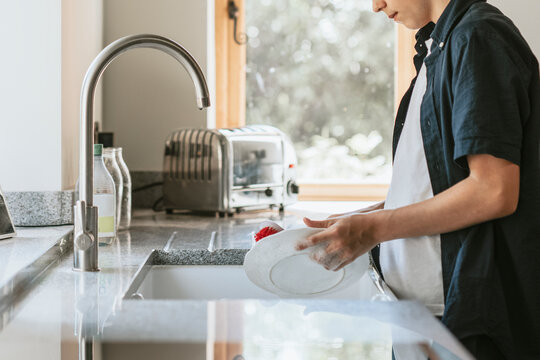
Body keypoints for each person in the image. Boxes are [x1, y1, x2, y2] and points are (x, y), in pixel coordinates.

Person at [295, 0, 540, 359]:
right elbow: (439, 182)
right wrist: (364, 218)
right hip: (427, 317)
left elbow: (493, 191)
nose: (376, 6)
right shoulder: (441, 46)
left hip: (466, 321)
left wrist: (373, 229)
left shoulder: (477, 37)